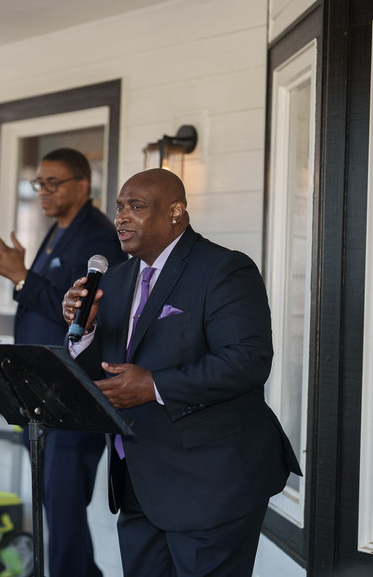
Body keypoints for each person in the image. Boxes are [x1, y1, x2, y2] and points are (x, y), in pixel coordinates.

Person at [62, 168, 301, 576]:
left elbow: (248, 361)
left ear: (176, 212)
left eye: (136, 207)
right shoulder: (115, 281)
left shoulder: (224, 269)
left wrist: (154, 385)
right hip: (138, 480)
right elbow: (103, 374)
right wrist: (84, 333)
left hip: (212, 482)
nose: (121, 217)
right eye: (119, 207)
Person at [0, 147, 125, 577]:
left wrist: (22, 277)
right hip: (40, 389)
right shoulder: (57, 230)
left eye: (53, 183)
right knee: (54, 504)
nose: (43, 191)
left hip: (72, 390)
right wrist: (23, 274)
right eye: (38, 183)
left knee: (62, 507)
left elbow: (77, 312)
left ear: (83, 185)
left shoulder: (98, 236)